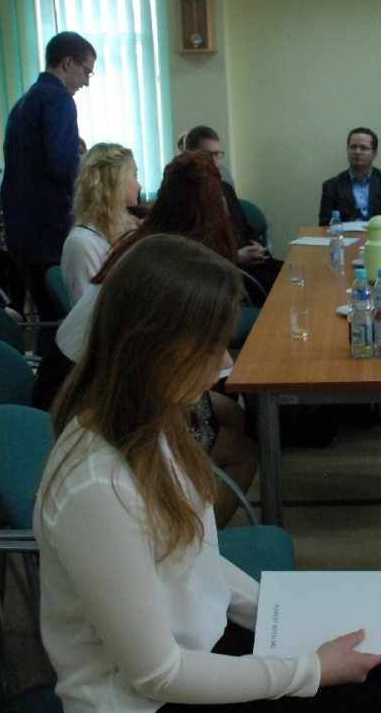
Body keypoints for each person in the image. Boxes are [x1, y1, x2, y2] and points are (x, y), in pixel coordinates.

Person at [34, 234, 381, 713]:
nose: (226, 363)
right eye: (211, 347)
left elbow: (196, 563)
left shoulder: (150, 423)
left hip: (198, 650)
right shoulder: (96, 487)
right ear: (153, 349)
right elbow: (158, 675)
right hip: (149, 700)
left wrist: (292, 616)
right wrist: (311, 670)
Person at [35, 153, 258, 527]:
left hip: (78, 374)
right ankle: (194, 532)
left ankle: (195, 527)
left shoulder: (148, 244)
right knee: (242, 450)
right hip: (87, 388)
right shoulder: (174, 267)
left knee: (234, 414)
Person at [0, 31, 95, 353]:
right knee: (65, 323)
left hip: (22, 229)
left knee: (48, 317)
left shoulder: (25, 101)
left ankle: (42, 379)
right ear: (68, 63)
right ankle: (51, 382)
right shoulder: (59, 101)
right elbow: (63, 166)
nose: (87, 82)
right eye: (87, 71)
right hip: (48, 229)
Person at [185, 125, 281, 302]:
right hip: (228, 273)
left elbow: (245, 227)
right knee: (285, 290)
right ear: (190, 156)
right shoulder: (188, 197)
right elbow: (196, 252)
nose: (213, 160)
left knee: (296, 273)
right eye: (207, 155)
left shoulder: (226, 189)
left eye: (217, 154)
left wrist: (259, 247)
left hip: (252, 263)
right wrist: (237, 257)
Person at [61, 142, 141, 303]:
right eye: (135, 175)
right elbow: (90, 311)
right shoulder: (82, 243)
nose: (139, 186)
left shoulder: (123, 229)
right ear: (116, 179)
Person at [318, 128, 381, 226]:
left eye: (363, 148)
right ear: (347, 150)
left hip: (379, 233)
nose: (357, 152)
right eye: (353, 147)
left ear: (374, 154)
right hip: (345, 234)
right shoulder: (331, 186)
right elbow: (324, 223)